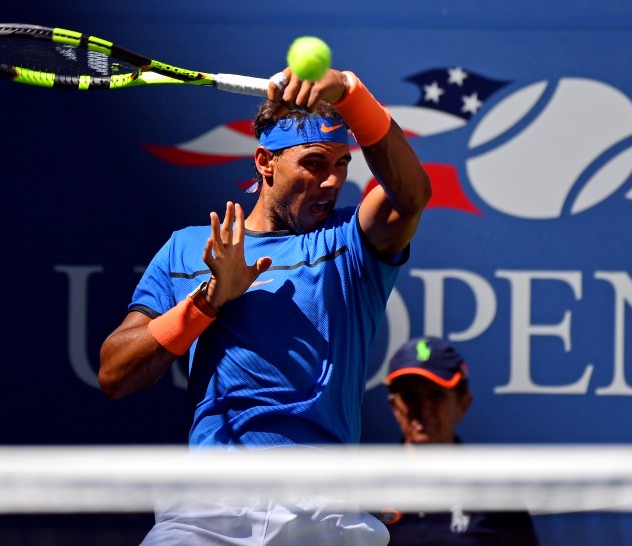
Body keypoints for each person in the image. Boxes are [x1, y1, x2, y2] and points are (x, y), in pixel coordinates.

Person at [98, 63, 431, 546]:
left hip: (325, 511)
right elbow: (115, 373)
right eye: (315, 163)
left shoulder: (350, 241)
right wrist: (208, 301)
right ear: (265, 161)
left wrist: (352, 92)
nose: (333, 181)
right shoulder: (188, 249)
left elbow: (412, 193)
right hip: (209, 509)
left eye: (342, 164)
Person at [377, 336, 540, 545]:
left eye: (436, 396)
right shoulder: (363, 487)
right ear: (394, 407)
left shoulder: (498, 492)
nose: (423, 409)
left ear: (463, 404)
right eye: (410, 396)